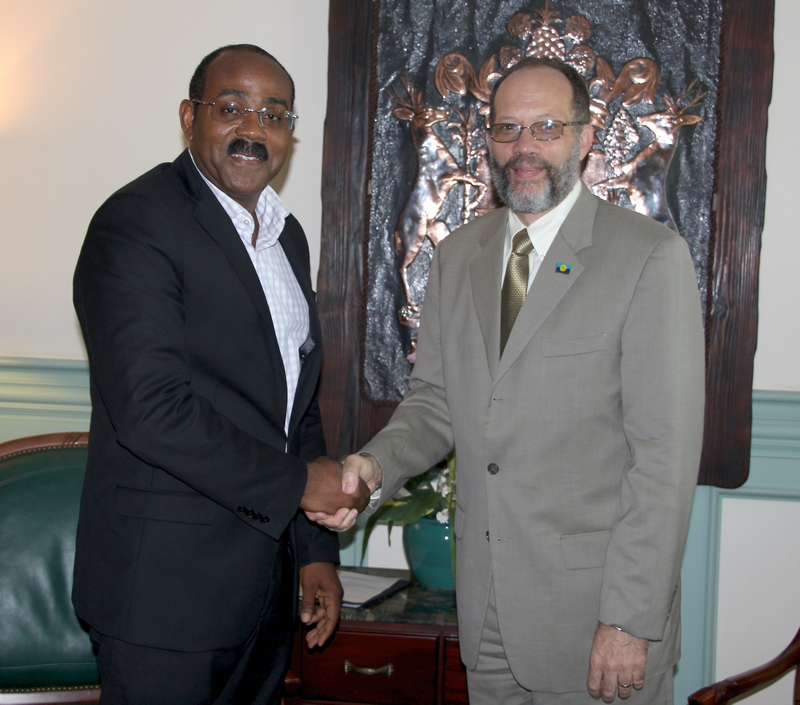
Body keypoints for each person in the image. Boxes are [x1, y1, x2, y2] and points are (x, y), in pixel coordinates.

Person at [315, 58, 705, 704]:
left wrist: (630, 617)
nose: (524, 148)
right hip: (487, 615)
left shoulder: (649, 260)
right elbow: (436, 403)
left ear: (584, 139)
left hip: (596, 623)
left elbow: (662, 464)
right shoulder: (456, 256)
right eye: (507, 128)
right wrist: (371, 466)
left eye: (546, 127)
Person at [72, 44, 368, 705]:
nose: (252, 130)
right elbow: (152, 410)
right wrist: (300, 484)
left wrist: (315, 549)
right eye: (230, 108)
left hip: (263, 594)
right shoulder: (137, 224)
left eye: (273, 114)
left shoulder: (285, 236)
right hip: (162, 600)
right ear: (190, 117)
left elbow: (297, 408)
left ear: (290, 132)